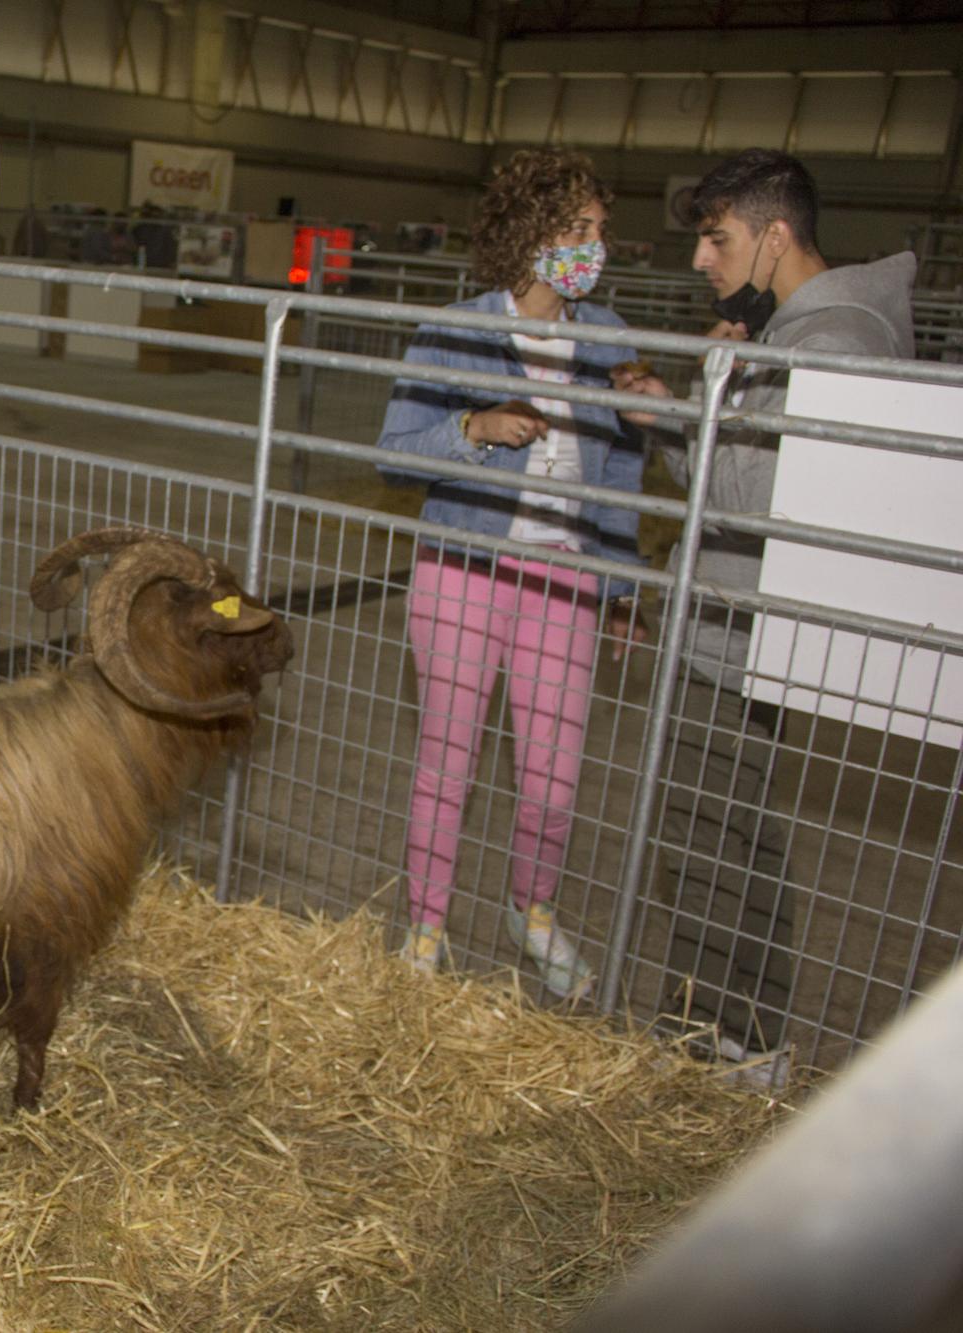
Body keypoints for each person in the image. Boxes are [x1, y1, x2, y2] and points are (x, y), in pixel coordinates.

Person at [638, 149, 917, 1071]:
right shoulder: (791, 334)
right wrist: (690, 415)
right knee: (711, 829)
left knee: (722, 836)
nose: (701, 260)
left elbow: (762, 500)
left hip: (744, 636)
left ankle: (736, 1038)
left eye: (718, 238)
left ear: (775, 234)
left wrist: (698, 404)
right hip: (728, 620)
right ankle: (705, 1024)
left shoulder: (830, 344)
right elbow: (729, 478)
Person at [376, 147, 663, 997]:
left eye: (600, 230)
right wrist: (473, 427)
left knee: (554, 771)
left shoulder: (607, 335)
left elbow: (619, 474)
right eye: (578, 228)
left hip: (564, 575)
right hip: (466, 565)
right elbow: (393, 454)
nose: (594, 245)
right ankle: (425, 925)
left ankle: (531, 911)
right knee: (448, 757)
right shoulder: (456, 328)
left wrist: (619, 587)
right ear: (529, 231)